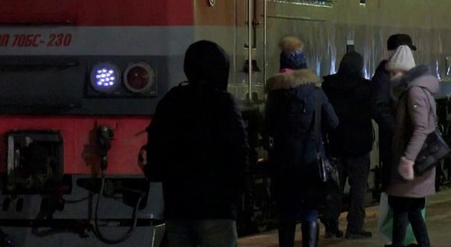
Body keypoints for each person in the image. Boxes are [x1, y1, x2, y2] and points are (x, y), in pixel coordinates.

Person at [143, 41, 249, 247]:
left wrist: (156, 172)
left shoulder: (170, 101)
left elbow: (156, 147)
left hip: (178, 207)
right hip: (216, 207)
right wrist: (236, 192)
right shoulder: (223, 103)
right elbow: (238, 151)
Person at [265, 36, 338, 247]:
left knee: (286, 213)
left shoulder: (275, 95)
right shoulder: (316, 93)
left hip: (284, 164)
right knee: (310, 212)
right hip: (311, 163)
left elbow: (267, 128)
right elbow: (333, 122)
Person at [383, 44, 438, 247]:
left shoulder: (414, 92)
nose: (392, 77)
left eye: (395, 72)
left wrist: (407, 160)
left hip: (413, 163)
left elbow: (421, 128)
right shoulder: (416, 90)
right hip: (416, 162)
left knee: (401, 208)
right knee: (412, 210)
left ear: (406, 71)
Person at [321, 51, 374, 240]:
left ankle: (331, 227)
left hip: (335, 145)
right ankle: (355, 228)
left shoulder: (329, 86)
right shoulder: (366, 88)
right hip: (360, 147)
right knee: (358, 189)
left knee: (334, 188)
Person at [373, 34, 417, 190]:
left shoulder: (409, 76)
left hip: (406, 140)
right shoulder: (384, 76)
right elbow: (379, 107)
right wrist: (397, 129)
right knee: (395, 185)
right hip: (394, 142)